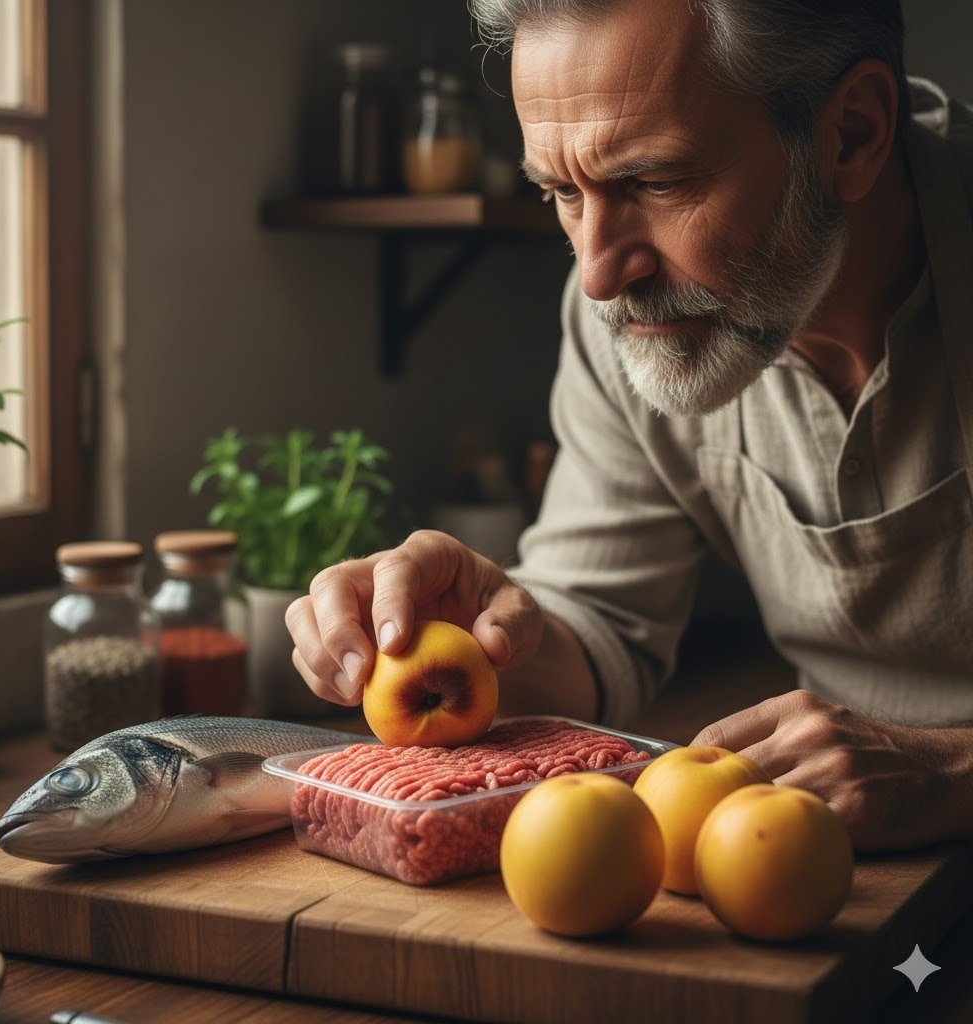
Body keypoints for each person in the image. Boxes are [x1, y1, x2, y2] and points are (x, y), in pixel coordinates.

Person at [286, 0, 973, 852]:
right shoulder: (632, 317)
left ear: (853, 136)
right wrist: (477, 636)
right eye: (562, 193)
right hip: (829, 871)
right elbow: (597, 624)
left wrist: (951, 770)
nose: (601, 275)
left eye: (655, 182)